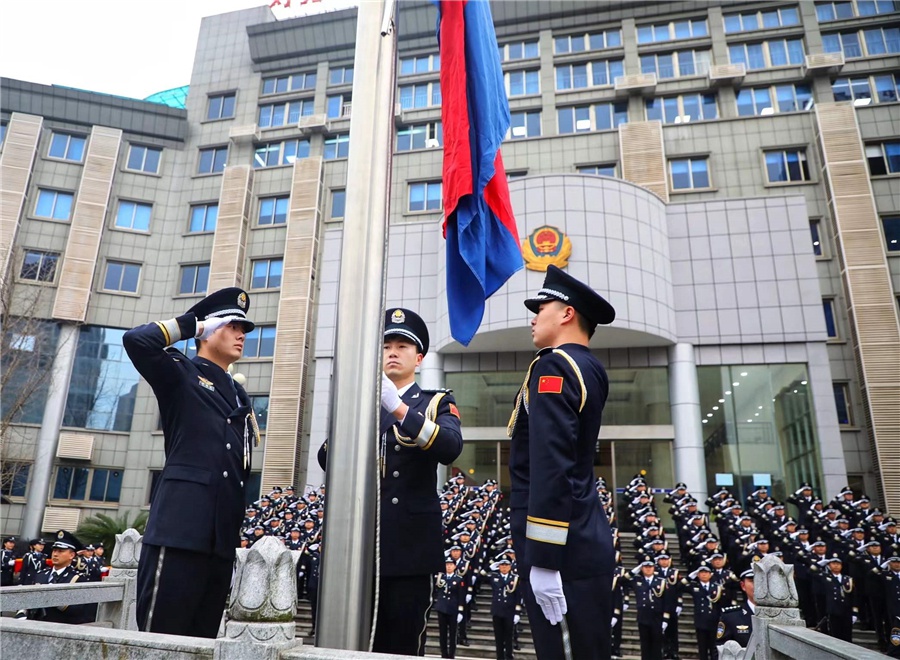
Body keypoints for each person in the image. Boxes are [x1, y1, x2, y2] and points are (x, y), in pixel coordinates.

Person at [317, 308, 463, 655]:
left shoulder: (435, 401)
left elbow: (449, 447)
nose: (392, 352)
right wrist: (359, 408)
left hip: (408, 550)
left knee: (401, 645)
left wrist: (397, 408)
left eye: (402, 345)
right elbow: (327, 459)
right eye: (385, 346)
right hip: (359, 545)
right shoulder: (359, 404)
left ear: (419, 357)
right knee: (349, 644)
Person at [123, 287, 258, 638]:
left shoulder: (237, 392)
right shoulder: (180, 373)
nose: (241, 334)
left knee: (200, 645)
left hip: (219, 542)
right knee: (162, 644)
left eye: (243, 329)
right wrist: (192, 326)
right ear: (209, 329)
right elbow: (137, 341)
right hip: (179, 534)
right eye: (232, 325)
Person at [507, 264, 616, 660]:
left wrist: (546, 559)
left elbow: (552, 464)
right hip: (583, 537)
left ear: (567, 313)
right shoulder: (589, 366)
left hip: (563, 551)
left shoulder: (554, 364)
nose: (534, 317)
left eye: (543, 307)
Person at [16, 530, 90, 624]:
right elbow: (28, 598)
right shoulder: (41, 574)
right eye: (54, 550)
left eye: (60, 551)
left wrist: (50, 596)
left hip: (60, 627)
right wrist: (22, 612)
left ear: (71, 555)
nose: (55, 554)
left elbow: (78, 609)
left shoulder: (77, 579)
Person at [434, 558, 466, 659]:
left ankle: (451, 655)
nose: (448, 566)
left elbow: (461, 596)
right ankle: (444, 655)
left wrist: (461, 611)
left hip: (453, 609)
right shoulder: (440, 577)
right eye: (447, 564)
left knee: (452, 634)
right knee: (442, 634)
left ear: (455, 566)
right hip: (442, 607)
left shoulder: (459, 579)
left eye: (450, 565)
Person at [490, 558, 521, 660]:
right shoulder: (495, 577)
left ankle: (509, 656)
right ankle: (500, 657)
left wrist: (517, 612)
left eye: (506, 565)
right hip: (497, 610)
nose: (504, 567)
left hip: (509, 611)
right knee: (498, 637)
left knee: (508, 636)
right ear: (499, 567)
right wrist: (492, 566)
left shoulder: (515, 579)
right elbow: (481, 576)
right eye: (502, 565)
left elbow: (518, 597)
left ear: (510, 567)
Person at [717, 568, 756, 648]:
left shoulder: (780, 614)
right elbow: (720, 651)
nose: (759, 585)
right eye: (752, 581)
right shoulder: (730, 617)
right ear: (743, 586)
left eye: (762, 580)